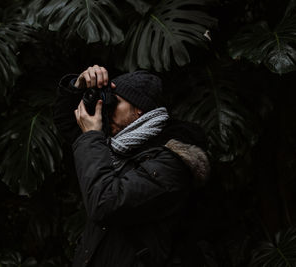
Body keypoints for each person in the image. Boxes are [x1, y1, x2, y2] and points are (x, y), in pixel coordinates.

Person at [55, 65, 210, 266]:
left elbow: (105, 203)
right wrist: (77, 86)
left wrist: (93, 136)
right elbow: (67, 121)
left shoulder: (172, 163)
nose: (108, 109)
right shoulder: (119, 145)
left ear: (139, 110)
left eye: (115, 102)